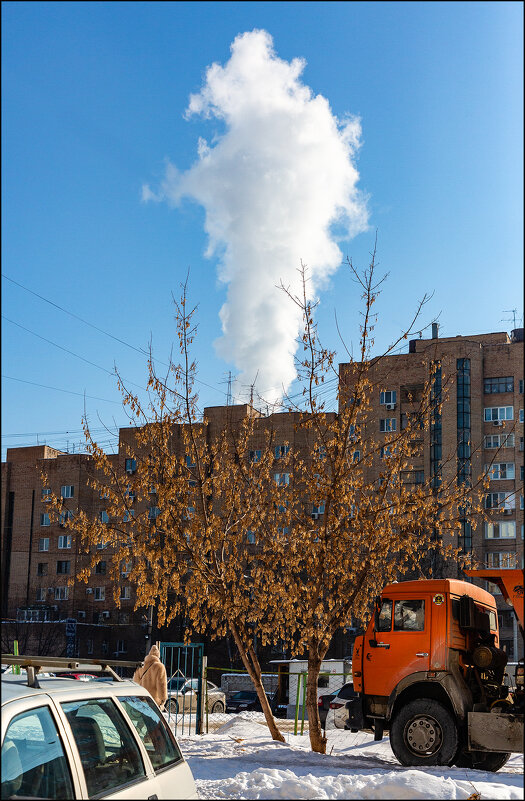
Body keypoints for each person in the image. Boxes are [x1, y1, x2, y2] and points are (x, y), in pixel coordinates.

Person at [133, 645, 168, 709]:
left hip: (141, 699)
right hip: (153, 700)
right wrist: (163, 699)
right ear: (158, 656)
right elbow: (161, 684)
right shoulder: (160, 667)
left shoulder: (141, 666)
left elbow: (135, 682)